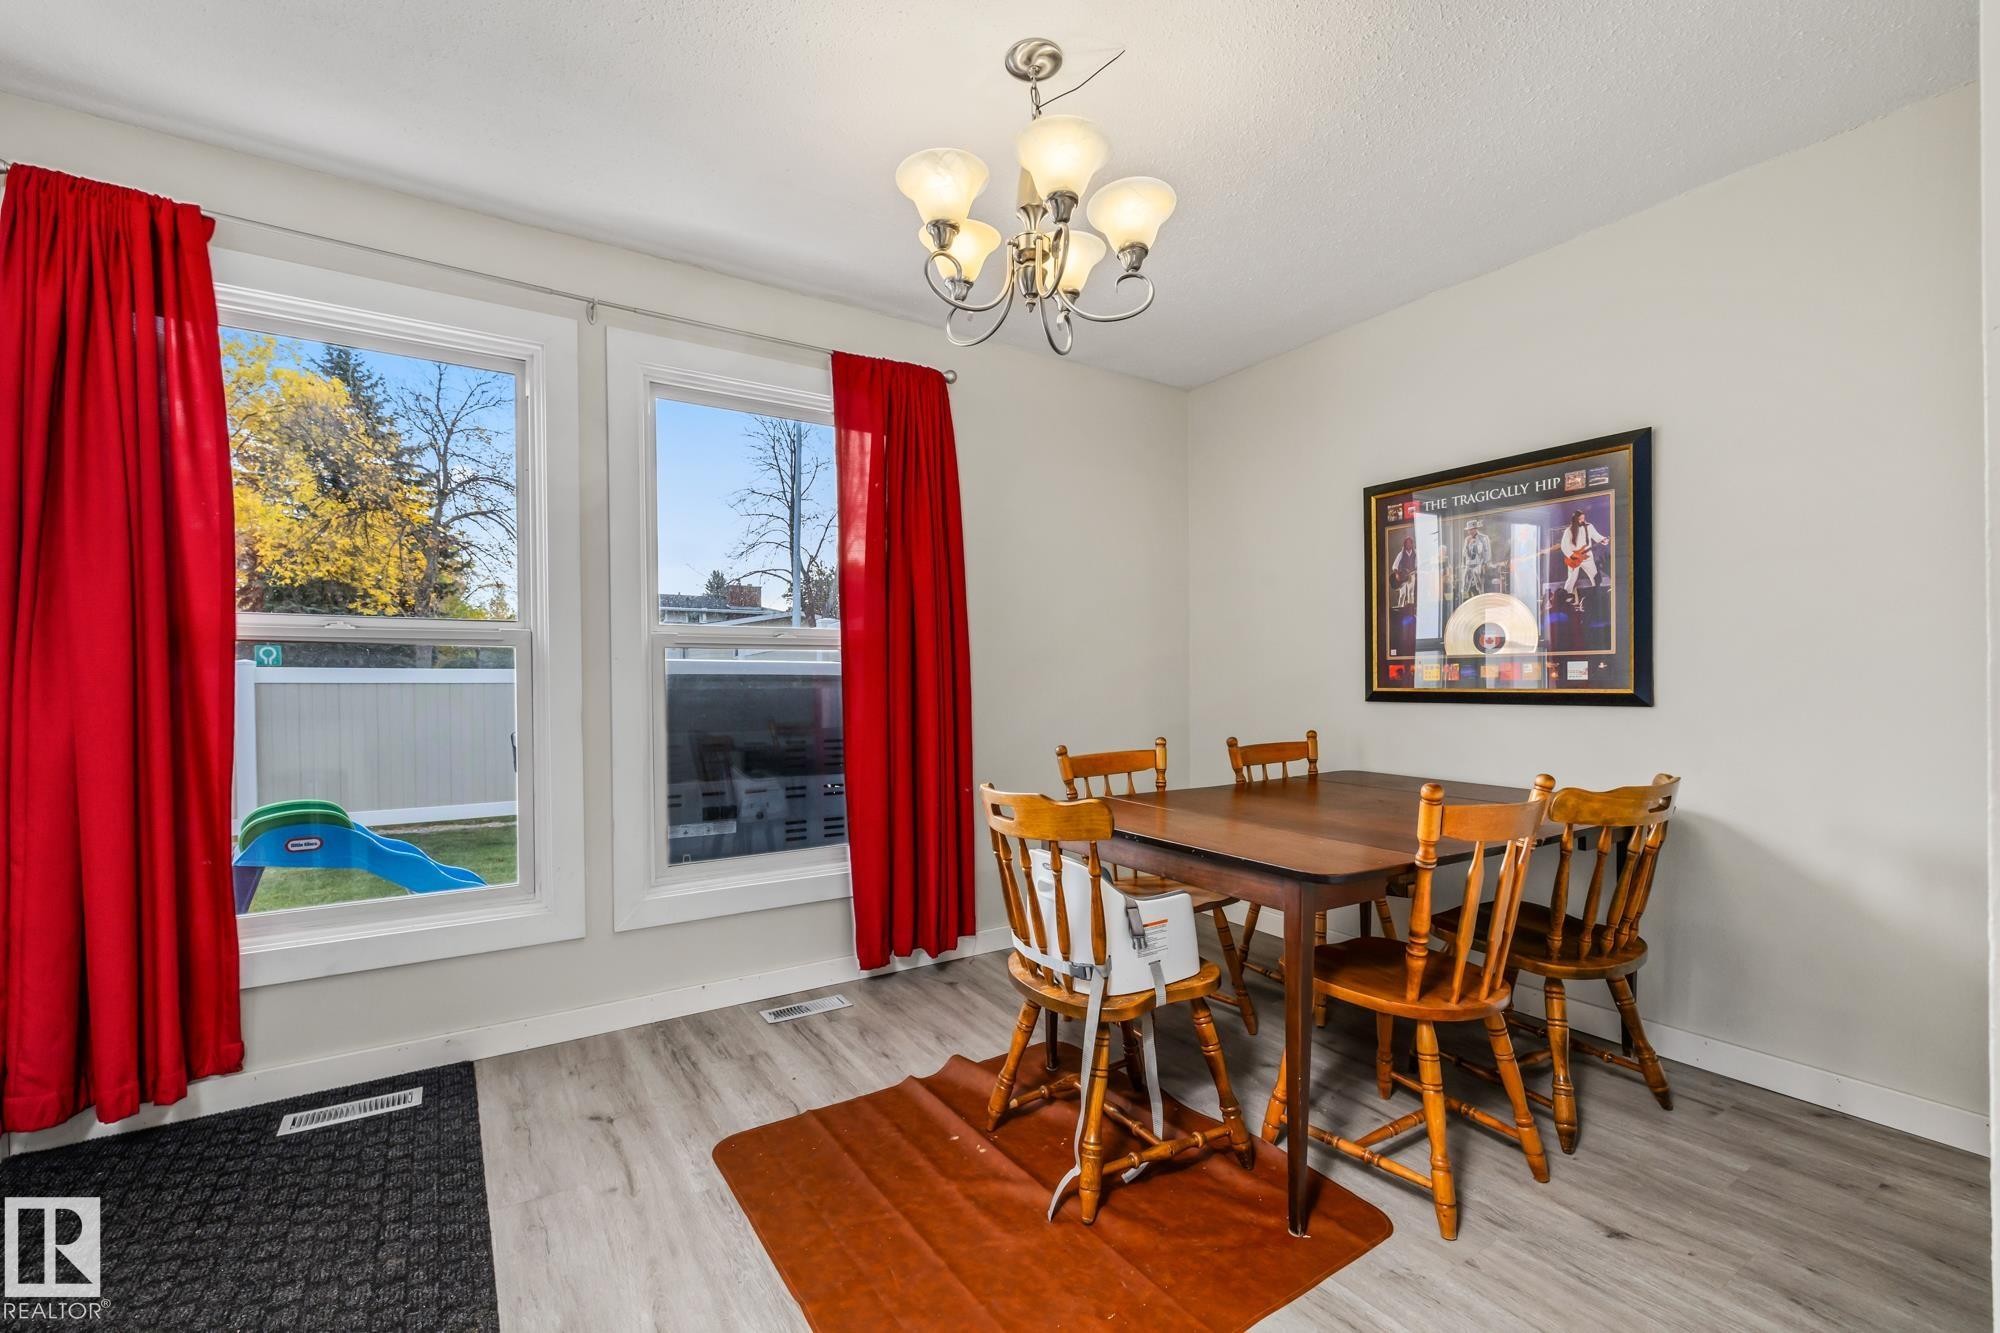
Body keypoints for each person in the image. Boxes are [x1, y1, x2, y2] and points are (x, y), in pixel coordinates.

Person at [1560, 509, 1610, 611]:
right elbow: (1564, 546)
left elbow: (1597, 536)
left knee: (1595, 576)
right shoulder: (1568, 531)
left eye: (1583, 518)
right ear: (1575, 520)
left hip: (1587, 557)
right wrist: (1573, 556)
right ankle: (1565, 599)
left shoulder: (1589, 526)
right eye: (1580, 519)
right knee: (1571, 578)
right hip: (1574, 559)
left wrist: (1603, 539)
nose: (1582, 520)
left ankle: (1598, 595)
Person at [1461, 519, 1493, 597]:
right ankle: (1464, 600)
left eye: (1471, 529)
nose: (1470, 532)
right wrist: (1468, 544)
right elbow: (1464, 553)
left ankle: (1481, 599)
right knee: (1465, 584)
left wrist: (1484, 563)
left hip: (1479, 564)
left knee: (1479, 585)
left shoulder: (1483, 538)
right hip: (1469, 565)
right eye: (1469, 530)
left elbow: (1487, 552)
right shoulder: (1467, 539)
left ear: (1476, 529)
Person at [1390, 535, 1418, 608]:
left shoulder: (1415, 553)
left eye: (1410, 543)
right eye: (1407, 543)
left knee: (1411, 592)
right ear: (1405, 544)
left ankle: (1410, 608)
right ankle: (1400, 608)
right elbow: (1395, 565)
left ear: (1412, 544)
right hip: (1402, 576)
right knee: (1402, 594)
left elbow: (1416, 565)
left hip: (1411, 575)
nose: (1408, 544)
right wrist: (1397, 574)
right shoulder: (1401, 553)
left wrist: (1416, 570)